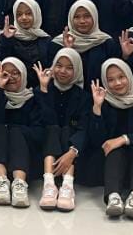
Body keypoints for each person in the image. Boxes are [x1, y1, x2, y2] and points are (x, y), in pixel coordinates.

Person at [89, 58, 133, 221]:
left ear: (129, 76)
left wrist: (124, 139)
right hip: (112, 163)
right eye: (111, 80)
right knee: (113, 148)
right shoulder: (104, 102)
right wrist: (97, 108)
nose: (117, 83)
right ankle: (113, 197)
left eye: (121, 77)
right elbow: (97, 141)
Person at [0, 57, 43, 208]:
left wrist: (17, 131)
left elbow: (38, 133)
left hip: (25, 156)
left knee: (16, 130)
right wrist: (0, 89)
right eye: (5, 73)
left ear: (23, 75)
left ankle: (19, 183)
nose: (10, 77)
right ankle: (1, 181)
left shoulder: (31, 97)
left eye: (16, 73)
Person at [36, 47, 88, 212]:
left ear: (77, 70)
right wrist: (44, 90)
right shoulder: (43, 90)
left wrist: (73, 152)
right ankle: (49, 183)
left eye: (69, 67)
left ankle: (67, 185)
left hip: (70, 146)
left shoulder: (83, 96)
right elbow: (45, 121)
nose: (63, 71)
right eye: (58, 66)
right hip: (46, 143)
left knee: (67, 130)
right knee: (53, 128)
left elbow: (84, 128)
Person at [50, 0, 119, 85]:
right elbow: (51, 76)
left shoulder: (106, 43)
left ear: (94, 17)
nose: (82, 21)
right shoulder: (58, 43)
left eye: (87, 16)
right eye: (76, 17)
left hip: (99, 92)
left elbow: (115, 73)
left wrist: (126, 56)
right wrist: (67, 50)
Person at [0, 0, 52, 87]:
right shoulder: (7, 37)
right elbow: (1, 66)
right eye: (19, 14)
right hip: (13, 89)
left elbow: (49, 69)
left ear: (36, 14)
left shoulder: (45, 40)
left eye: (28, 13)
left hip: (39, 89)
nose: (24, 18)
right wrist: (7, 40)